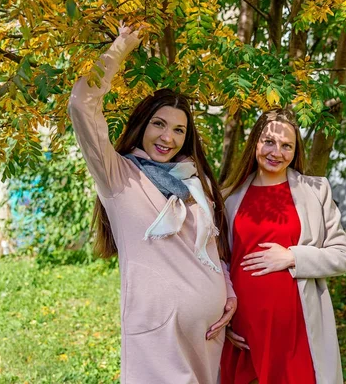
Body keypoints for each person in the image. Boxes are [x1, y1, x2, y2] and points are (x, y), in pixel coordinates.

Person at [68, 25, 236, 384]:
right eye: (159, 124)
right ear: (143, 124)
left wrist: (229, 292)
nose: (168, 137)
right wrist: (121, 47)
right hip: (157, 336)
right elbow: (82, 105)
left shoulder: (195, 180)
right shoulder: (118, 175)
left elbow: (213, 248)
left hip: (208, 333)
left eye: (179, 129)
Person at [220, 109, 346, 384]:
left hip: (296, 332)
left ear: (295, 149)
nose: (276, 152)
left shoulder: (316, 191)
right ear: (255, 142)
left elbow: (342, 256)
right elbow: (219, 262)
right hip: (243, 333)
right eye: (269, 141)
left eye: (286, 145)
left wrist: (292, 256)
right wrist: (223, 315)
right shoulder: (229, 197)